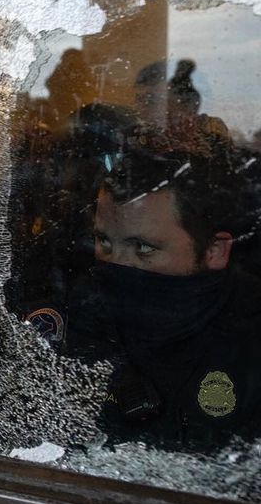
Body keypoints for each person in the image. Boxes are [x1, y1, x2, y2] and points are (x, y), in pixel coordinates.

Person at [25, 130, 261, 446]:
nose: (116, 264)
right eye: (104, 242)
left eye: (143, 248)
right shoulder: (73, 321)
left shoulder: (248, 342)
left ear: (214, 251)